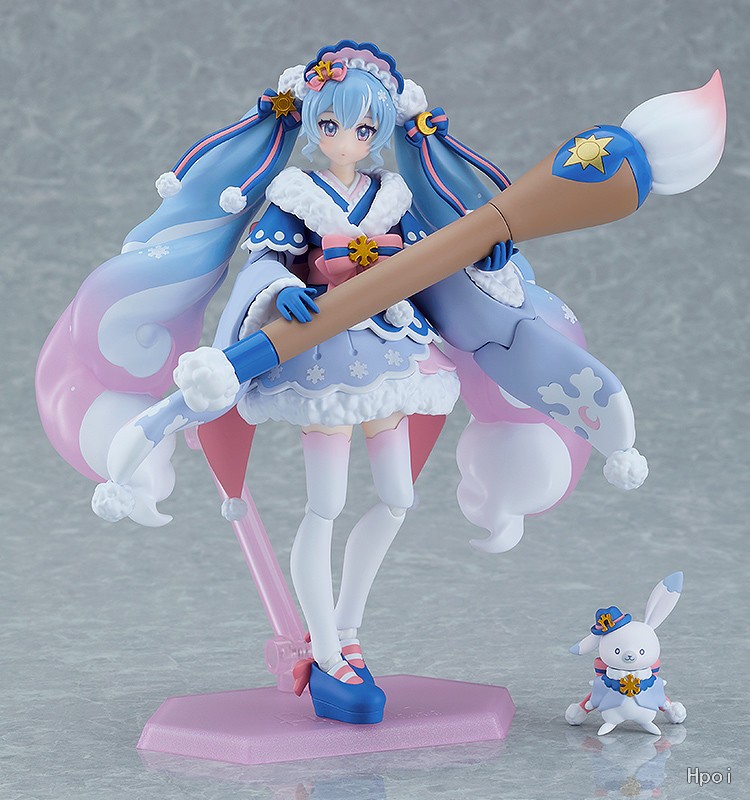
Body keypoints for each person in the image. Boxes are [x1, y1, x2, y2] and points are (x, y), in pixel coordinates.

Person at [36, 40, 648, 724]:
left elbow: (437, 256)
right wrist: (280, 292)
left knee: (397, 499)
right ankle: (326, 651)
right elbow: (263, 262)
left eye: (362, 127)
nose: (345, 139)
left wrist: (486, 255)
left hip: (394, 353)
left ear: (380, 131)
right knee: (323, 508)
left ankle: (348, 629)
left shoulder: (394, 197)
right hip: (322, 359)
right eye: (330, 124)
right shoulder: (295, 197)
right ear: (311, 123)